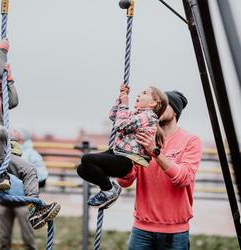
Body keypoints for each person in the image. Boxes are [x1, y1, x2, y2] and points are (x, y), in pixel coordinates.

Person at [0, 38, 60, 230]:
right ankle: (1, 176)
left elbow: (14, 101)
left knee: (29, 169)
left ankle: (35, 209)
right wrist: (1, 51)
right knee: (0, 131)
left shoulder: (2, 99)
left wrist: (10, 79)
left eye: (1, 79)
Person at [117, 91, 202, 250]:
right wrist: (123, 153)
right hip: (141, 229)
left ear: (175, 111)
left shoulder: (190, 141)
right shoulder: (142, 137)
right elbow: (124, 181)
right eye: (157, 103)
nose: (159, 107)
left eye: (164, 104)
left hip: (176, 233)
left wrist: (154, 152)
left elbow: (184, 178)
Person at [77, 84, 168, 208]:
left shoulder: (148, 117)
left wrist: (125, 104)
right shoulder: (136, 114)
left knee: (87, 159)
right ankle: (110, 188)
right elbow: (114, 116)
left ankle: (108, 190)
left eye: (144, 93)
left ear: (153, 103)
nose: (139, 94)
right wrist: (120, 99)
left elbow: (119, 125)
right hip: (118, 153)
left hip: (126, 160)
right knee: (82, 169)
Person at [0, 128, 49, 250]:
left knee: (28, 236)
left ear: (23, 136)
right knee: (3, 236)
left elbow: (42, 174)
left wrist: (25, 184)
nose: (13, 133)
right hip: (5, 200)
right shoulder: (6, 150)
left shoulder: (32, 154)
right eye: (13, 131)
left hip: (23, 202)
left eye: (16, 131)